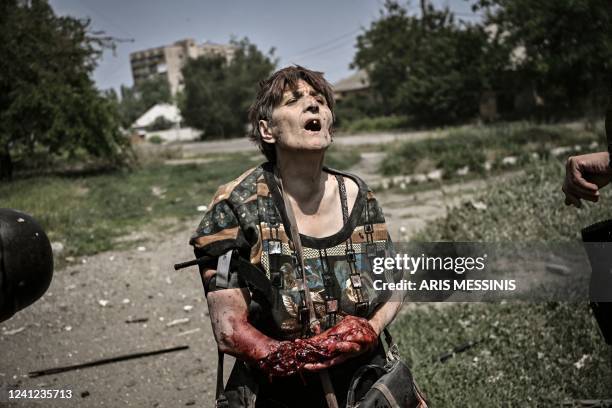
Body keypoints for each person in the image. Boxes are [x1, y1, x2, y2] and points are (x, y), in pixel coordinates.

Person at [189, 66, 405, 407]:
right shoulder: (234, 208)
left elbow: (395, 285)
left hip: (367, 384)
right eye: (294, 100)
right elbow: (228, 328)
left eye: (320, 100)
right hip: (279, 390)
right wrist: (296, 357)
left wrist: (370, 331)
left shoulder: (360, 197)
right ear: (267, 130)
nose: (313, 106)